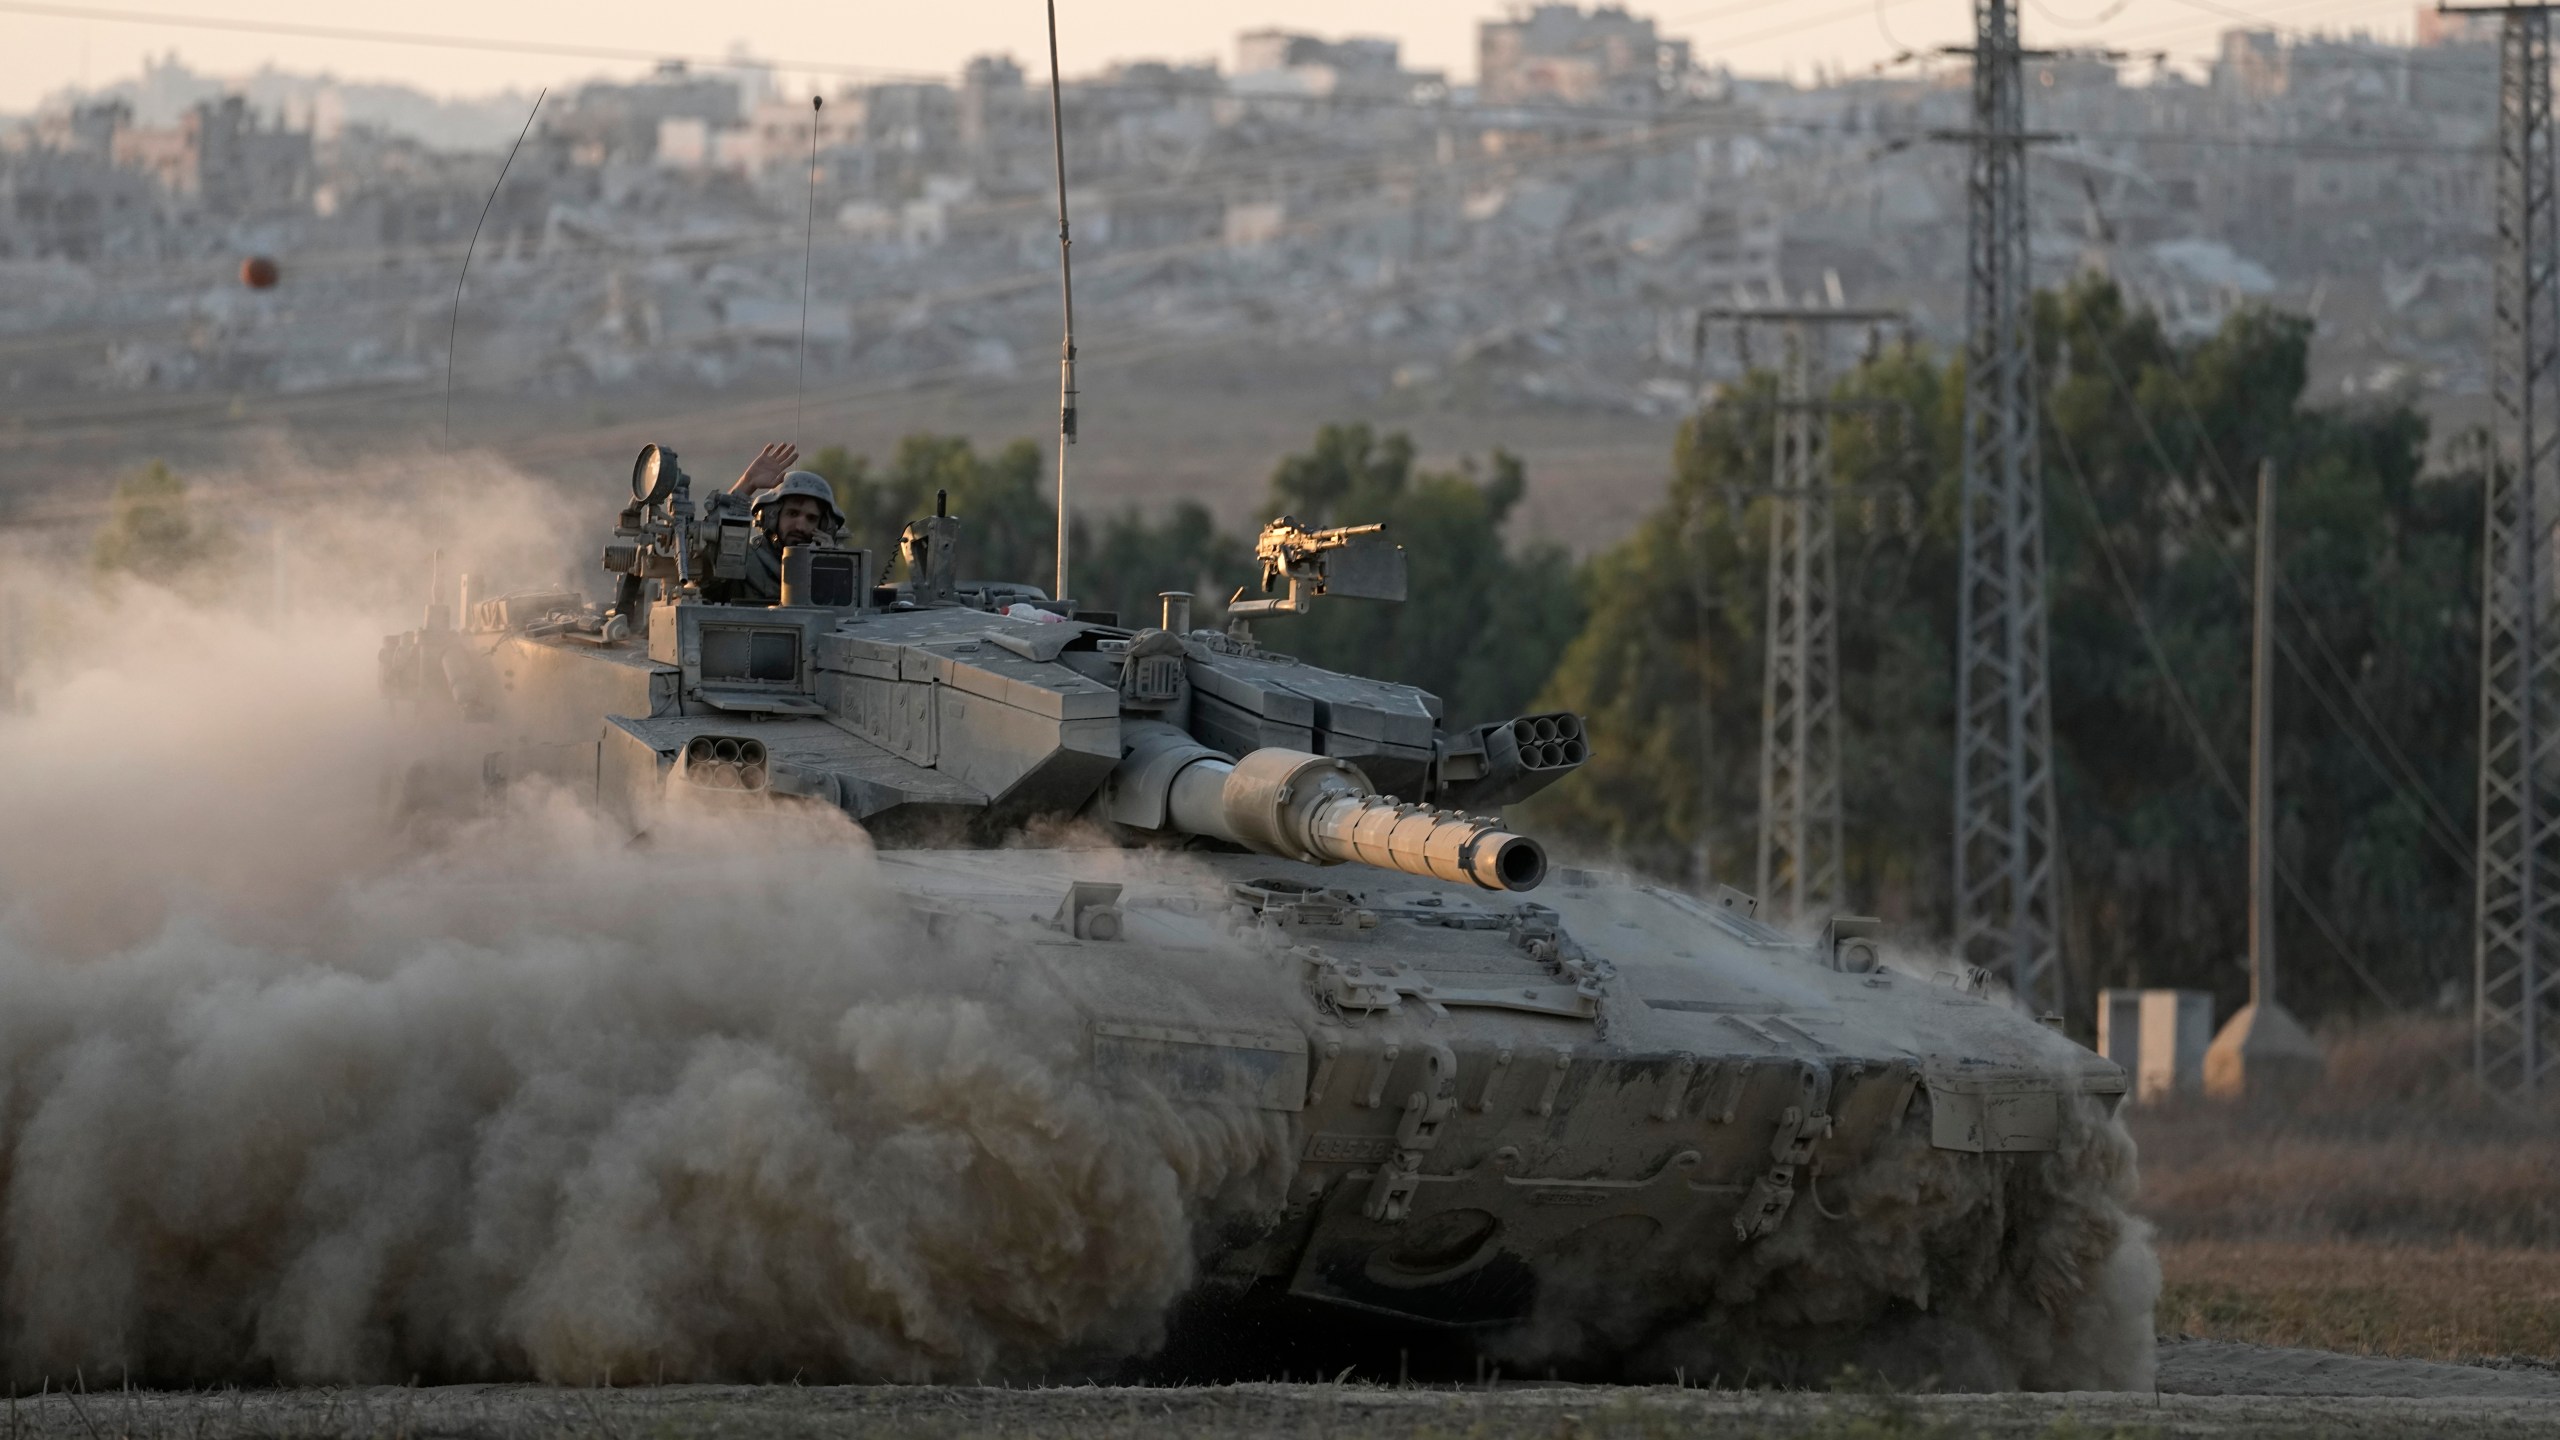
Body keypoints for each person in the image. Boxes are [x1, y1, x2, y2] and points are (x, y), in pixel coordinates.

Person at [700, 443, 846, 604]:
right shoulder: (746, 559)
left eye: (811, 518)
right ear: (772, 516)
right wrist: (747, 483)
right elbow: (707, 568)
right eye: (792, 513)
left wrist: (828, 563)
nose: (800, 526)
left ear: (824, 526)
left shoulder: (841, 568)